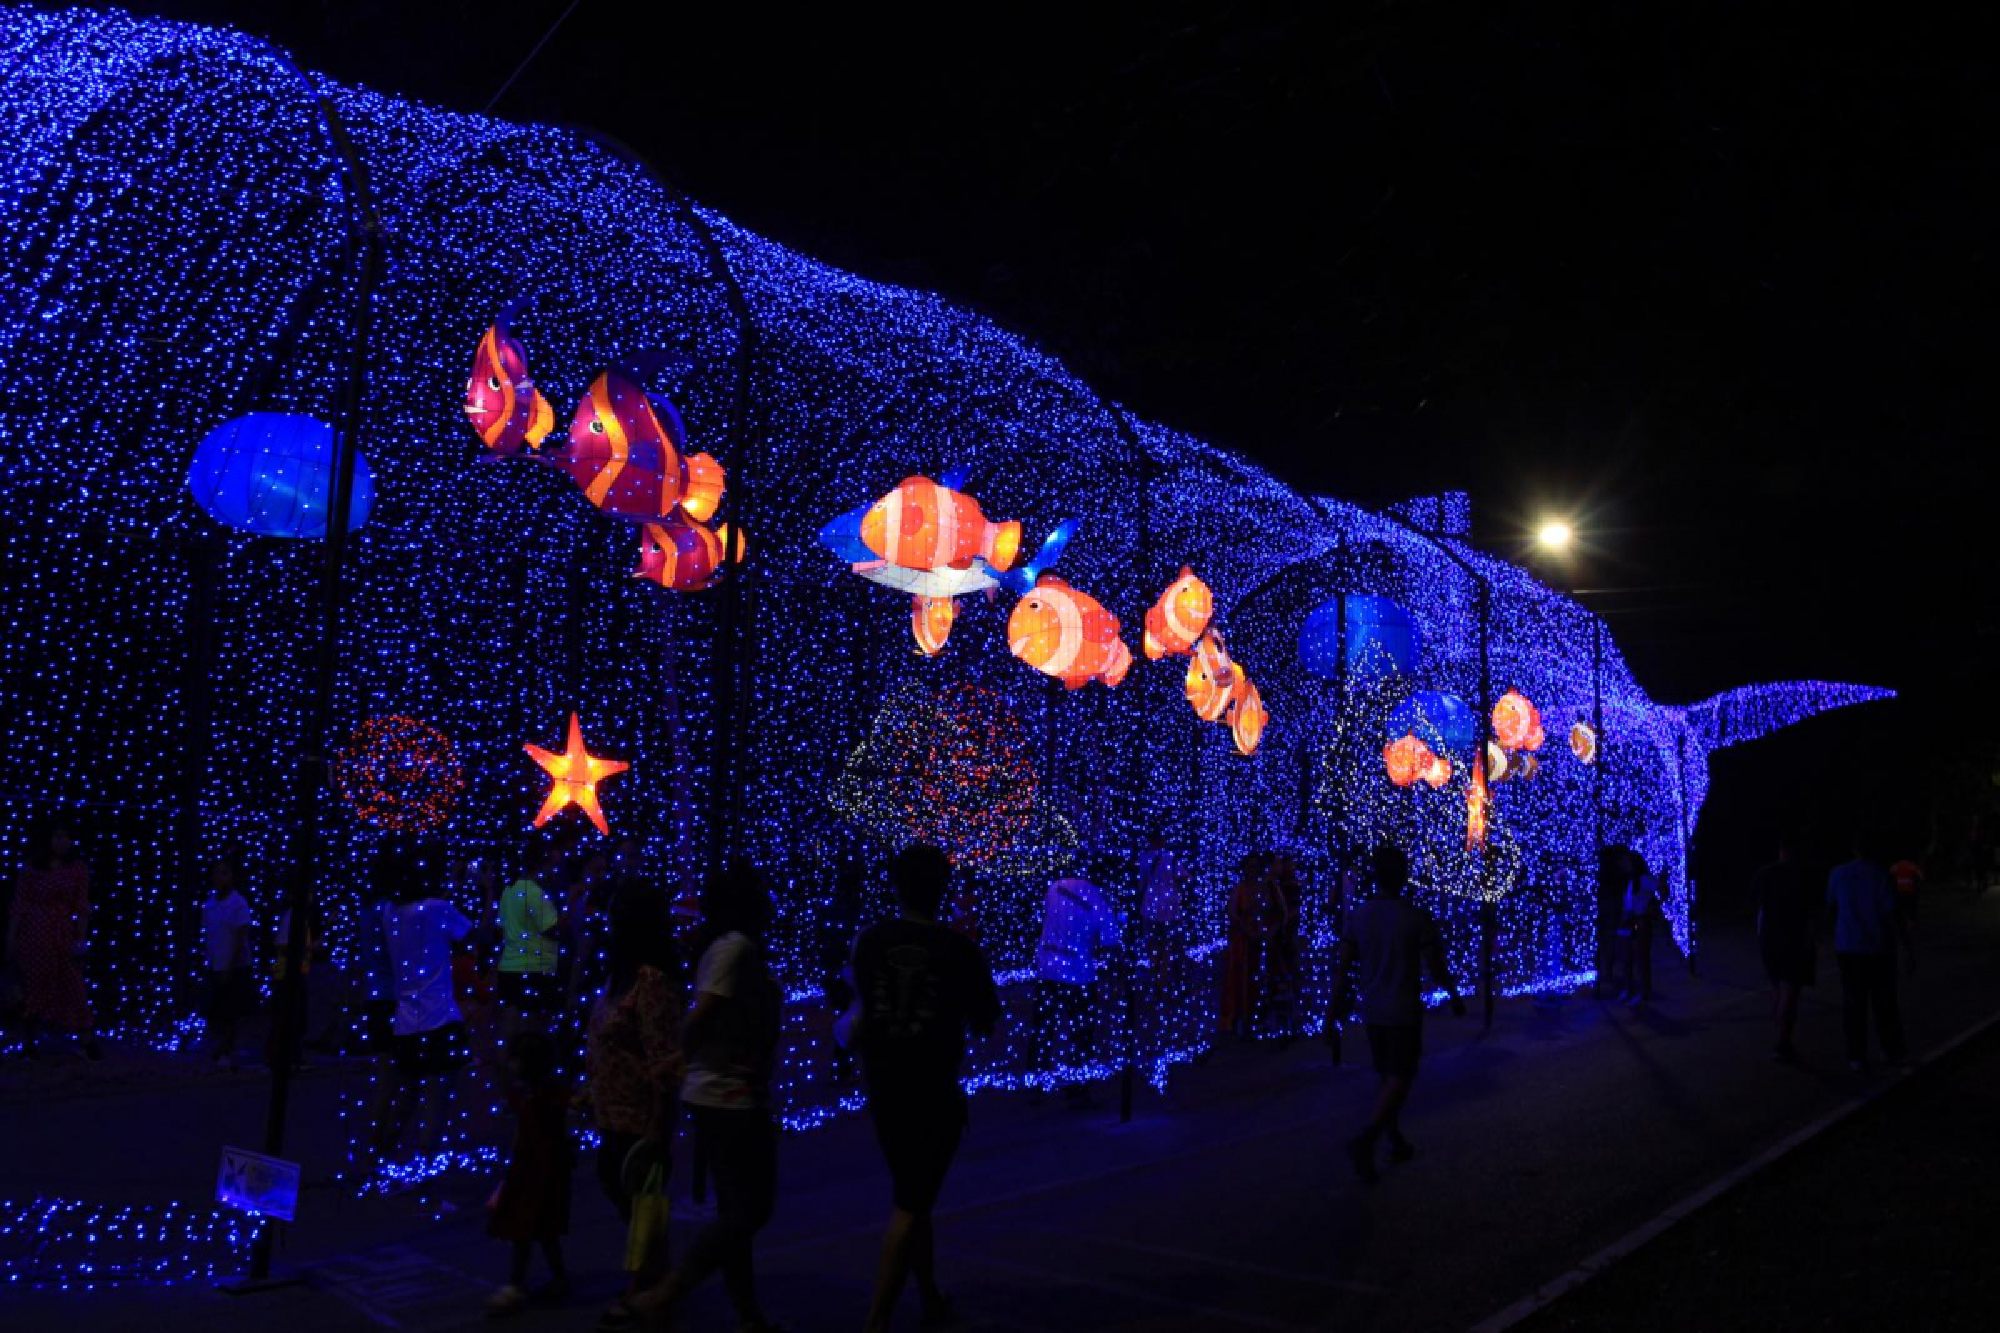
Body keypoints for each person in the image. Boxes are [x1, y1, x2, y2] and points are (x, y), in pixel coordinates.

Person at [850, 845, 1000, 1333]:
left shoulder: (871, 940)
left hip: (883, 1084)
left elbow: (857, 1003)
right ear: (943, 888)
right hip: (933, 1088)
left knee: (914, 1193)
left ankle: (930, 1295)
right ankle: (877, 1320)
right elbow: (986, 1020)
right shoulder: (957, 948)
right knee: (912, 1201)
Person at [633, 865, 783, 1332]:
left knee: (734, 1210)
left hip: (721, 1089)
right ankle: (670, 1290)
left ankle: (748, 1314)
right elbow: (706, 1011)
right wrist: (677, 1057)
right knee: (751, 1210)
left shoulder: (726, 947)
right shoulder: (735, 948)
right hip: (728, 1093)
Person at [1329, 843, 1463, 1182]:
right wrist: (1454, 994)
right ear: (1403, 876)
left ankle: (1394, 1138)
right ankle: (1369, 1138)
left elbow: (1342, 968)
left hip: (1373, 1010)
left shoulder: (1360, 916)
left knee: (1387, 1077)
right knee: (1401, 1076)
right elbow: (1436, 966)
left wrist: (1333, 1012)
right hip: (1403, 1010)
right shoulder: (1416, 918)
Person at [586, 890, 685, 1330]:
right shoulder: (619, 977)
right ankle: (653, 1283)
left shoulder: (652, 982)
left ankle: (642, 1291)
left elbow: (664, 1058)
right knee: (631, 1199)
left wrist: (658, 1126)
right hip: (612, 1110)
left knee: (644, 1204)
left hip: (641, 1116)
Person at [372, 847, 475, 1162]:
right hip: (439, 1016)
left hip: (405, 1019)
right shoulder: (437, 909)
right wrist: (485, 890)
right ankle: (426, 1161)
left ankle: (382, 1153)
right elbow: (475, 934)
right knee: (437, 1094)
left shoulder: (390, 911)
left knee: (407, 1090)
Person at [486, 1029, 574, 1316]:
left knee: (524, 1229)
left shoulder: (541, 1095)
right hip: (535, 1168)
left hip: (536, 1171)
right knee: (544, 1230)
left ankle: (516, 1284)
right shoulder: (538, 1092)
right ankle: (558, 1277)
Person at [7, 817, 99, 1059]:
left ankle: (87, 1040)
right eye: (57, 836)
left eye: (66, 837)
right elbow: (19, 904)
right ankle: (29, 1043)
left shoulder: (77, 868)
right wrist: (11, 938)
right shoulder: (31, 869)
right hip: (34, 934)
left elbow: (81, 905)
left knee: (74, 985)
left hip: (62, 933)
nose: (62, 842)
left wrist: (81, 938)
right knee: (37, 987)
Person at [1032, 859, 1119, 1106]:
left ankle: (1038, 1080)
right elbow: (1109, 939)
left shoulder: (1055, 886)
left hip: (1048, 967)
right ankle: (1077, 1087)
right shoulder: (1096, 897)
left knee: (1044, 1026)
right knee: (1081, 1031)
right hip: (1078, 973)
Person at [1827, 835, 1915, 1072]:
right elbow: (1893, 911)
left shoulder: (1839, 873)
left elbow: (1831, 903)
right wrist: (1907, 946)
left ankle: (1856, 1055)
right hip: (1878, 946)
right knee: (1885, 1001)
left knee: (1854, 1003)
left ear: (1854, 850)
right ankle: (1890, 1050)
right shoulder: (1882, 874)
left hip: (1848, 946)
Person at [1752, 835, 1816, 1062]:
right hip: (1793, 938)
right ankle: (1782, 1041)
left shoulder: (1764, 875)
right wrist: (1809, 941)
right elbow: (1809, 913)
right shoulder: (1803, 875)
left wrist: (1760, 937)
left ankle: (1779, 1030)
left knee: (1778, 987)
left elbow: (1760, 909)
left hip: (1770, 938)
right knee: (1790, 990)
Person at [499, 838, 562, 1029]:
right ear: (543, 863)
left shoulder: (509, 891)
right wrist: (575, 905)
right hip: (534, 968)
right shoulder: (534, 893)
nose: (555, 872)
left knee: (512, 1026)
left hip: (510, 967)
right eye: (553, 865)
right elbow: (553, 930)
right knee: (533, 1030)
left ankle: (506, 1058)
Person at [1218, 852, 1282, 1037]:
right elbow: (1232, 912)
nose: (1252, 870)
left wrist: (1266, 931)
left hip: (1259, 939)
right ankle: (1239, 1017)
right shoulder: (1240, 889)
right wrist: (1247, 930)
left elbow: (1275, 912)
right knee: (1239, 976)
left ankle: (1255, 1016)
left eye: (1255, 866)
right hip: (1242, 940)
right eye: (1249, 866)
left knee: (1257, 977)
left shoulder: (1265, 888)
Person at [200, 859, 254, 1066]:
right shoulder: (210, 905)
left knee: (230, 1011)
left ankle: (228, 1051)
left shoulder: (238, 903)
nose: (218, 878)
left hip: (235, 966)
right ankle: (221, 1048)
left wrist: (232, 965)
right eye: (216, 874)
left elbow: (241, 937)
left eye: (224, 873)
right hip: (216, 964)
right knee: (217, 1009)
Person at [1888, 855, 1924, 931]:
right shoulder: (1911, 865)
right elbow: (1921, 876)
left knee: (1902, 908)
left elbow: (1889, 875)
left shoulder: (1896, 866)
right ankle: (1910, 924)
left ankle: (1904, 924)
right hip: (1910, 891)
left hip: (1900, 891)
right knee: (1910, 908)